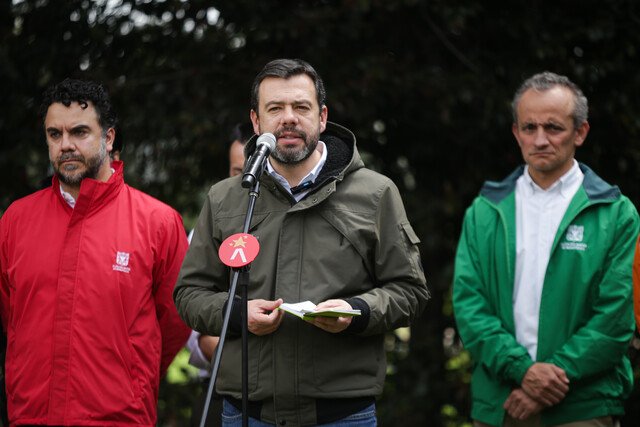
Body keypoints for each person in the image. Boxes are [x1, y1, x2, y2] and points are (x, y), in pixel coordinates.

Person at [174, 58, 429, 426]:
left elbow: (411, 291)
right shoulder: (226, 198)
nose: (289, 118)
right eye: (275, 108)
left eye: (301, 107)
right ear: (256, 122)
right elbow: (189, 295)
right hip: (246, 413)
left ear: (322, 117)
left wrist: (358, 311)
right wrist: (237, 313)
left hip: (343, 415)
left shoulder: (375, 193)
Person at [453, 71, 639, 426]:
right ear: (515, 132)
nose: (540, 139)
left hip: (583, 408)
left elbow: (616, 318)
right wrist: (522, 371)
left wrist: (545, 382)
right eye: (529, 127)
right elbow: (468, 305)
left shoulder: (616, 213)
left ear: (580, 132)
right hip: (503, 404)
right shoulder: (484, 211)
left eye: (553, 128)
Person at [0, 78, 191, 426]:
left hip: (119, 418)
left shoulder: (158, 222)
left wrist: (132, 380)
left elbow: (177, 322)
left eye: (79, 132)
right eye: (54, 135)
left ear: (109, 137)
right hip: (30, 416)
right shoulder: (16, 220)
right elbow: (12, 318)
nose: (66, 145)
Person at [186, 122, 254, 427]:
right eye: (236, 172)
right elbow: (193, 324)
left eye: (252, 171)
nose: (245, 181)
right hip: (220, 390)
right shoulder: (209, 228)